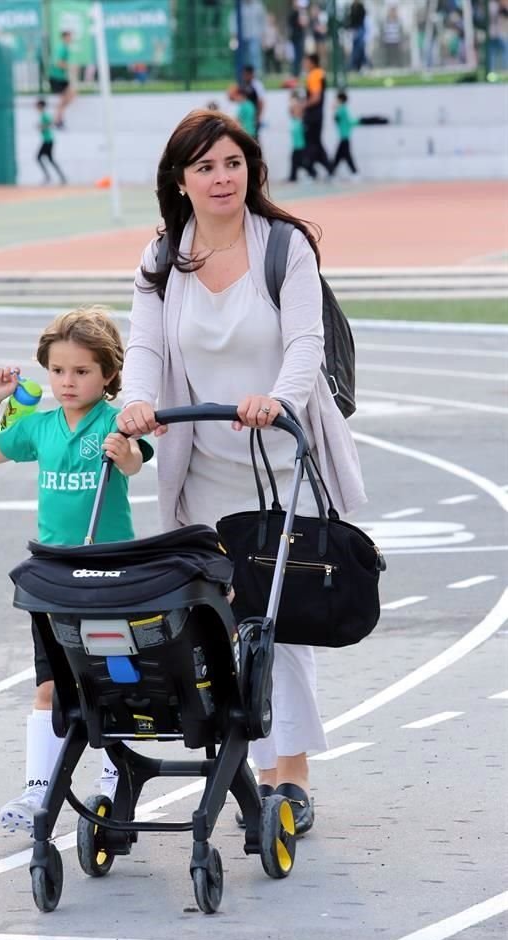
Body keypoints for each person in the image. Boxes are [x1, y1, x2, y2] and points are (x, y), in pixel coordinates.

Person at [116, 109, 366, 835]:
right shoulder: (162, 258)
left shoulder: (285, 247)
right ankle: (253, 763)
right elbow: (146, 350)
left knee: (279, 619)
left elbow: (305, 342)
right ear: (180, 180)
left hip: (282, 458)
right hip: (205, 468)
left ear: (251, 169)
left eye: (232, 163)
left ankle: (290, 774)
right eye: (205, 167)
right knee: (220, 623)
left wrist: (276, 401)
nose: (222, 177)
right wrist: (137, 403)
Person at [0, 307, 152, 834]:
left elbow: (137, 459)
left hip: (111, 575)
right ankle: (38, 790)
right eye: (59, 371)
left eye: (82, 371)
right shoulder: (41, 428)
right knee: (49, 686)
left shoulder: (114, 420)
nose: (68, 382)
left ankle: (119, 778)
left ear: (109, 375)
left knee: (117, 677)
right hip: (54, 577)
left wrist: (127, 452)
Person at [302, 52, 331, 178]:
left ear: (312, 63)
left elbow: (316, 97)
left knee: (312, 143)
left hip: (313, 115)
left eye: (306, 62)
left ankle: (312, 170)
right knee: (316, 143)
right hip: (318, 115)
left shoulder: (314, 75)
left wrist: (303, 105)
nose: (304, 64)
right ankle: (328, 168)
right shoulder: (320, 74)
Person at [35, 98, 67, 185]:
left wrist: (42, 127)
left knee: (39, 158)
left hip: (48, 140)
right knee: (49, 159)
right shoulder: (42, 115)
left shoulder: (45, 115)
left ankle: (49, 177)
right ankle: (59, 176)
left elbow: (52, 122)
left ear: (41, 106)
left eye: (37, 105)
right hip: (46, 140)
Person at [48, 30, 75, 129]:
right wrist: (70, 67)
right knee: (68, 97)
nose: (71, 39)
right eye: (70, 36)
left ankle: (58, 119)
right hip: (56, 77)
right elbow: (58, 63)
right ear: (65, 37)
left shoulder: (64, 48)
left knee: (68, 97)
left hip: (60, 77)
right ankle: (57, 120)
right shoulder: (62, 48)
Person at [330, 90, 360, 179]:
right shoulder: (343, 109)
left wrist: (334, 108)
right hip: (344, 137)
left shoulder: (342, 109)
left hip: (344, 137)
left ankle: (355, 173)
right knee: (339, 157)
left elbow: (336, 119)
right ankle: (332, 173)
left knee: (345, 156)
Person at [288, 92, 313, 183]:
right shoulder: (294, 121)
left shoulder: (301, 122)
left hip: (301, 146)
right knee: (295, 161)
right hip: (296, 145)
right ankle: (293, 177)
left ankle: (312, 173)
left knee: (301, 162)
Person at [241, 64, 265, 141]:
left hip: (254, 116)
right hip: (246, 116)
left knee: (254, 139)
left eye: (246, 74)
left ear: (251, 74)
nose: (244, 76)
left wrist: (258, 117)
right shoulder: (245, 84)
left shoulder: (257, 85)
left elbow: (261, 102)